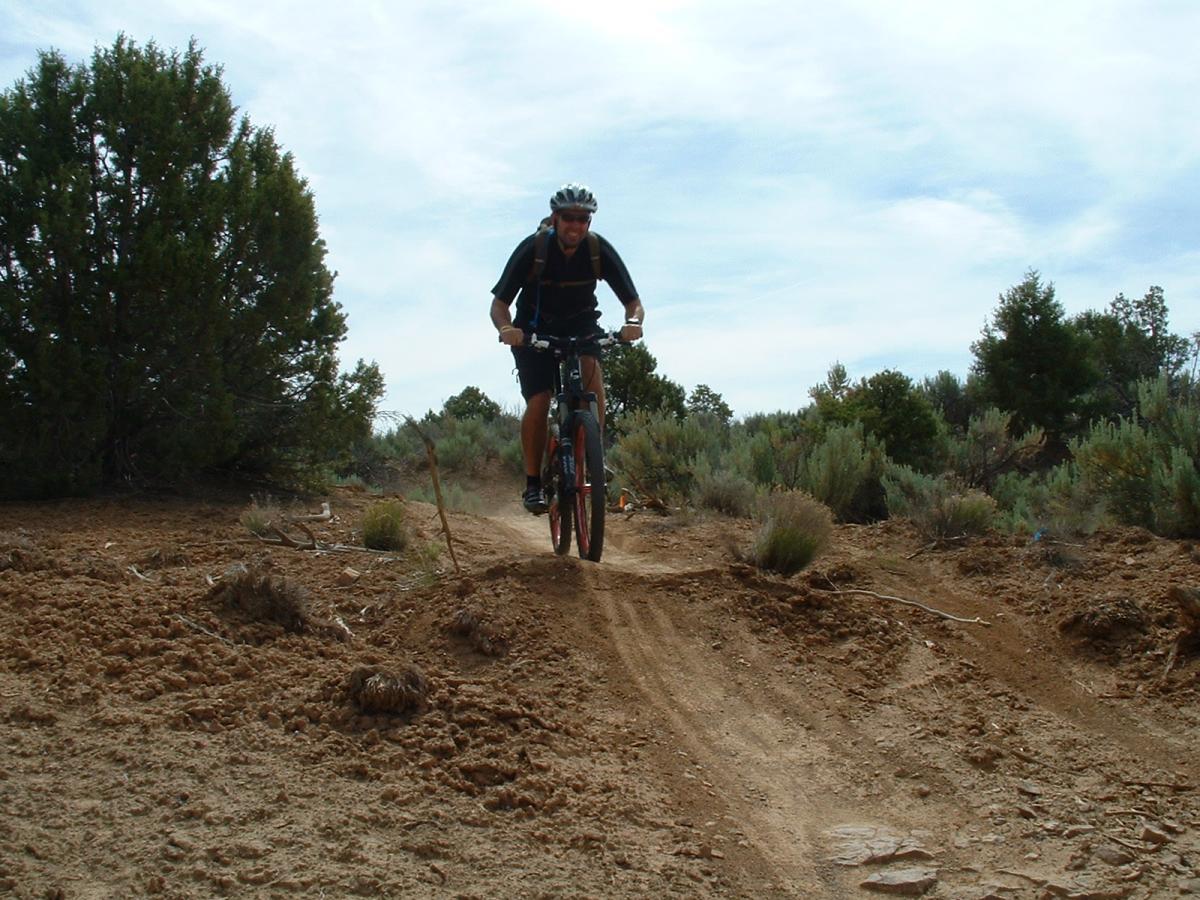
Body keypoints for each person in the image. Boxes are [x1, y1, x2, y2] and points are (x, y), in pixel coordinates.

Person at [490, 183, 645, 514]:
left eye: (582, 219)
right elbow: (499, 304)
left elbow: (633, 302)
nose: (575, 225)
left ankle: (593, 455)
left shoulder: (597, 250)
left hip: (580, 324)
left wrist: (633, 323)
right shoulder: (533, 249)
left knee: (592, 375)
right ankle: (533, 483)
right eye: (569, 218)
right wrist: (507, 329)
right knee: (541, 398)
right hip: (533, 329)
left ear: (589, 222)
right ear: (555, 218)